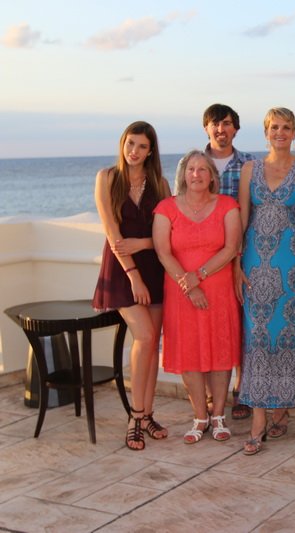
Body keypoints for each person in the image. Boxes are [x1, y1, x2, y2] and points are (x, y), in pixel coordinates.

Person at [236, 108, 295, 455]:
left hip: (290, 264)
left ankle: (281, 409)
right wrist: (236, 263)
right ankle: (258, 422)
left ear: (294, 132)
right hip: (254, 263)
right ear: (266, 132)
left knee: (286, 338)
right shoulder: (250, 169)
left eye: (286, 127)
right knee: (256, 339)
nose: (280, 133)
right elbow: (242, 218)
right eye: (274, 127)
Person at [153, 150, 242, 445]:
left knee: (220, 352)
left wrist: (200, 275)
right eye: (191, 169)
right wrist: (189, 286)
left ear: (212, 177)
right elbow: (163, 252)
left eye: (203, 169)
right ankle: (200, 417)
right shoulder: (166, 208)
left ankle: (218, 416)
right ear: (183, 175)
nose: (197, 174)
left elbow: (231, 248)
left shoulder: (227, 205)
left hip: (218, 291)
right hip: (182, 292)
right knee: (189, 352)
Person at [93, 121, 171, 451]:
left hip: (155, 268)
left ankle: (148, 414)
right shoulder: (107, 178)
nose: (133, 151)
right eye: (130, 143)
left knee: (152, 346)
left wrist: (143, 244)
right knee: (146, 337)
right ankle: (135, 418)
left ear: (150, 151)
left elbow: (167, 233)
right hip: (122, 270)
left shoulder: (160, 184)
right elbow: (112, 231)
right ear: (122, 144)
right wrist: (133, 275)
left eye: (141, 146)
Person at [202, 103, 256, 420]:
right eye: (215, 124)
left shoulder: (249, 163)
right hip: (204, 257)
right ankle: (211, 394)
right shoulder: (193, 163)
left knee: (242, 321)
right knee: (210, 324)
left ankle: (242, 390)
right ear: (206, 128)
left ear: (235, 128)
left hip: (242, 253)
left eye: (226, 123)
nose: (220, 129)